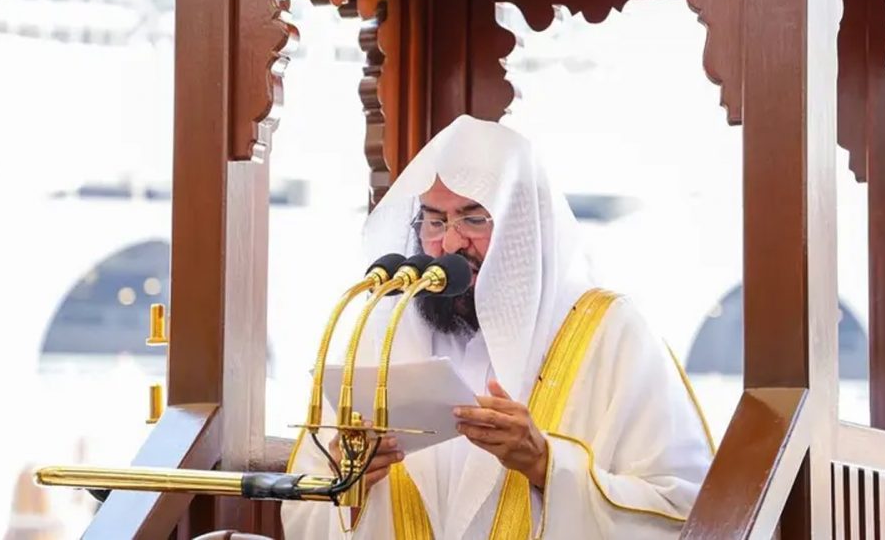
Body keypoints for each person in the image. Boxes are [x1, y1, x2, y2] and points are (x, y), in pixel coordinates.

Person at [281, 115, 713, 539]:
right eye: (435, 221)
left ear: (522, 227)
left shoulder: (612, 334)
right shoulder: (382, 333)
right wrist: (349, 484)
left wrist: (546, 465)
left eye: (473, 220)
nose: (450, 244)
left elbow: (684, 512)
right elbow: (301, 511)